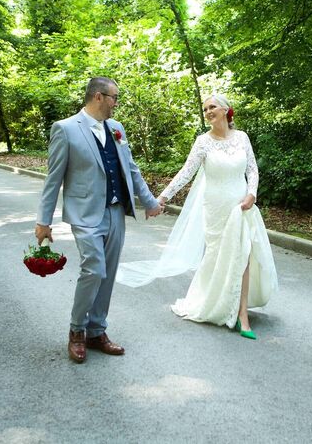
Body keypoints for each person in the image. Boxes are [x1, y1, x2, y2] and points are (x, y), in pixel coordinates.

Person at [119, 94, 277, 340]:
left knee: (244, 255)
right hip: (214, 207)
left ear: (226, 110)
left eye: (212, 107)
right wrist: (161, 198)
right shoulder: (203, 142)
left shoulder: (242, 138)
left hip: (241, 205)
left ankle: (241, 314)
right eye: (205, 109)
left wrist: (252, 194)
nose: (208, 111)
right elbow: (186, 173)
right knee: (217, 257)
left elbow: (252, 170)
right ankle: (215, 302)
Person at [35, 77, 162, 363]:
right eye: (114, 97)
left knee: (108, 273)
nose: (117, 103)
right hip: (85, 213)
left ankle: (96, 330)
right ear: (98, 96)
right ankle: (77, 330)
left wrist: (150, 201)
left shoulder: (116, 129)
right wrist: (44, 221)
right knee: (93, 268)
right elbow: (53, 179)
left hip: (116, 211)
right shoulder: (65, 129)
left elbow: (130, 168)